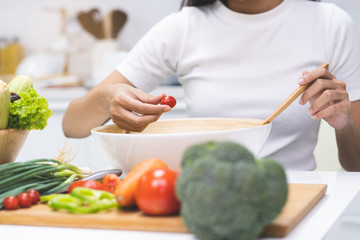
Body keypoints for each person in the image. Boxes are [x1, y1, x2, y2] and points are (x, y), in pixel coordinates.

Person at [62, 0, 360, 171]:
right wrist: (105, 98)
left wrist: (344, 123)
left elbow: (355, 164)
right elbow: (71, 125)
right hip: (206, 200)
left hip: (298, 198)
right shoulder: (182, 27)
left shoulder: (331, 23)